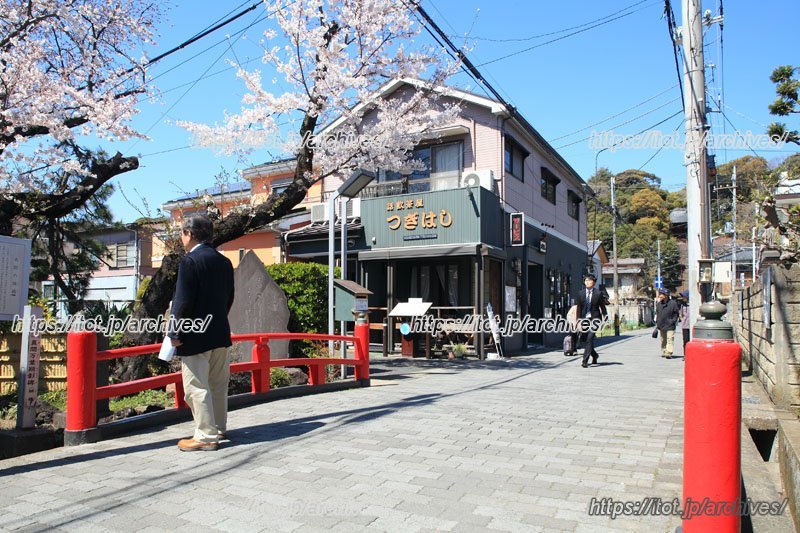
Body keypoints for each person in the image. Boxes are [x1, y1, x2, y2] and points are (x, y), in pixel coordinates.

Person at [169, 215, 235, 451]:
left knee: (196, 385)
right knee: (218, 384)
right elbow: (229, 299)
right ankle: (218, 427)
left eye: (181, 233)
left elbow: (183, 301)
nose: (181, 237)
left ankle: (205, 437)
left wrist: (175, 331)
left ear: (189, 234)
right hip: (220, 331)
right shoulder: (224, 262)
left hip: (196, 335)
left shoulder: (190, 261)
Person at [576, 274, 607, 368]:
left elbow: (602, 307)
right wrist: (578, 320)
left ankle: (584, 361)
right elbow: (579, 308)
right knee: (585, 340)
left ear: (593, 282)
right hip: (584, 319)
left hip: (595, 318)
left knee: (589, 338)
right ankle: (595, 355)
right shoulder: (580, 293)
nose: (587, 282)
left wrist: (605, 317)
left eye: (589, 280)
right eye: (585, 280)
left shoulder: (598, 293)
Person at [655, 289, 680, 359]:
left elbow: (676, 313)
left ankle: (669, 352)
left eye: (661, 294)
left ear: (666, 295)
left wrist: (673, 320)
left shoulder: (673, 303)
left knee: (670, 338)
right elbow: (657, 314)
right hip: (662, 324)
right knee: (663, 339)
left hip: (670, 324)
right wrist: (657, 323)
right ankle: (664, 350)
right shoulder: (659, 304)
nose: (660, 296)